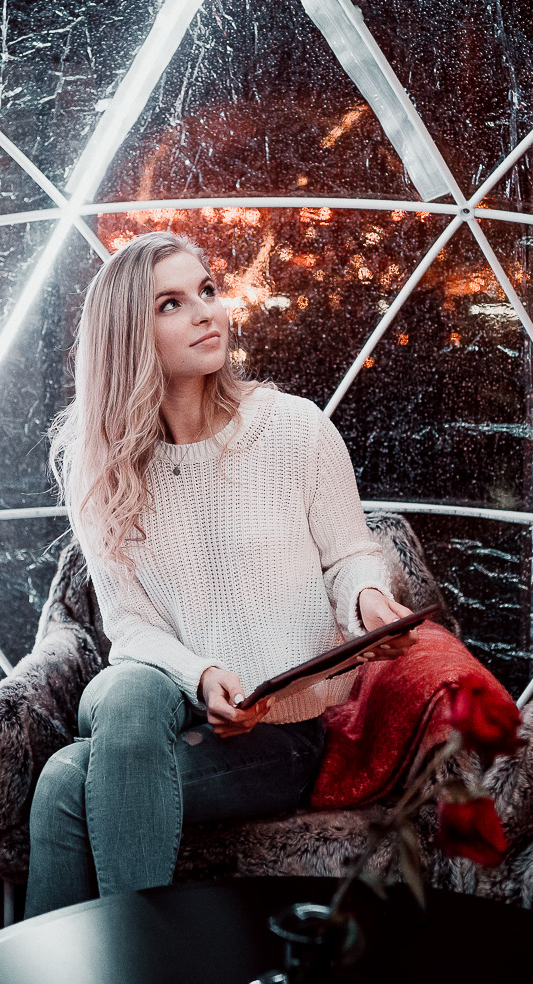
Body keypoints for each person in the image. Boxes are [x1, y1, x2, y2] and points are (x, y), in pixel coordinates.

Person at [25, 230, 417, 917]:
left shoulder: (295, 430)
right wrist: (202, 675)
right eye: (172, 303)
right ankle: (137, 969)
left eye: (207, 289)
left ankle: (117, 983)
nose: (207, 311)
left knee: (64, 780)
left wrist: (368, 599)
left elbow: (349, 556)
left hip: (282, 733)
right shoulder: (104, 468)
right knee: (125, 690)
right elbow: (131, 627)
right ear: (128, 336)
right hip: (165, 707)